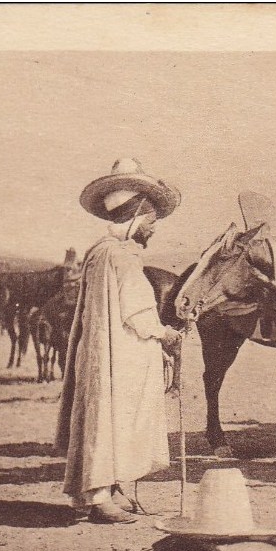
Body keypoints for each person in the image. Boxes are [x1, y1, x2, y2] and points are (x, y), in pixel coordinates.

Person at [56, 158, 183, 524]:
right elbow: (137, 310)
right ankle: (98, 496)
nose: (153, 230)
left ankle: (107, 488)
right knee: (109, 418)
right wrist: (166, 333)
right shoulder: (120, 257)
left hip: (113, 350)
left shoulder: (103, 252)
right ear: (138, 217)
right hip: (117, 354)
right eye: (151, 223)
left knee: (114, 419)